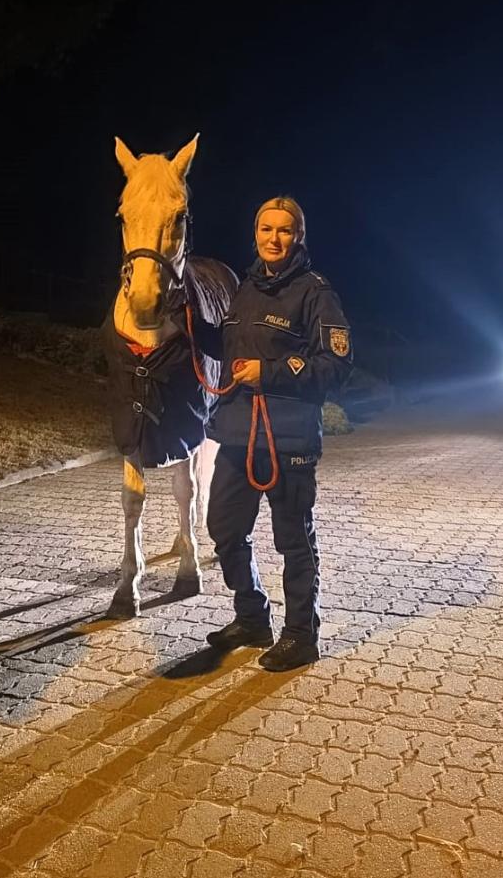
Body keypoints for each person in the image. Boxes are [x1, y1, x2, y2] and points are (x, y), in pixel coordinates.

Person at [196, 196, 352, 671]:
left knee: (293, 541)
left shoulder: (315, 292)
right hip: (238, 434)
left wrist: (273, 372)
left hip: (288, 439)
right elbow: (224, 345)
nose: (274, 239)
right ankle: (252, 616)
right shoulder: (245, 289)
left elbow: (336, 364)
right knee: (223, 528)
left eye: (284, 231)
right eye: (266, 229)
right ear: (256, 233)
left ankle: (301, 635)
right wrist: (181, 319)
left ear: (298, 236)